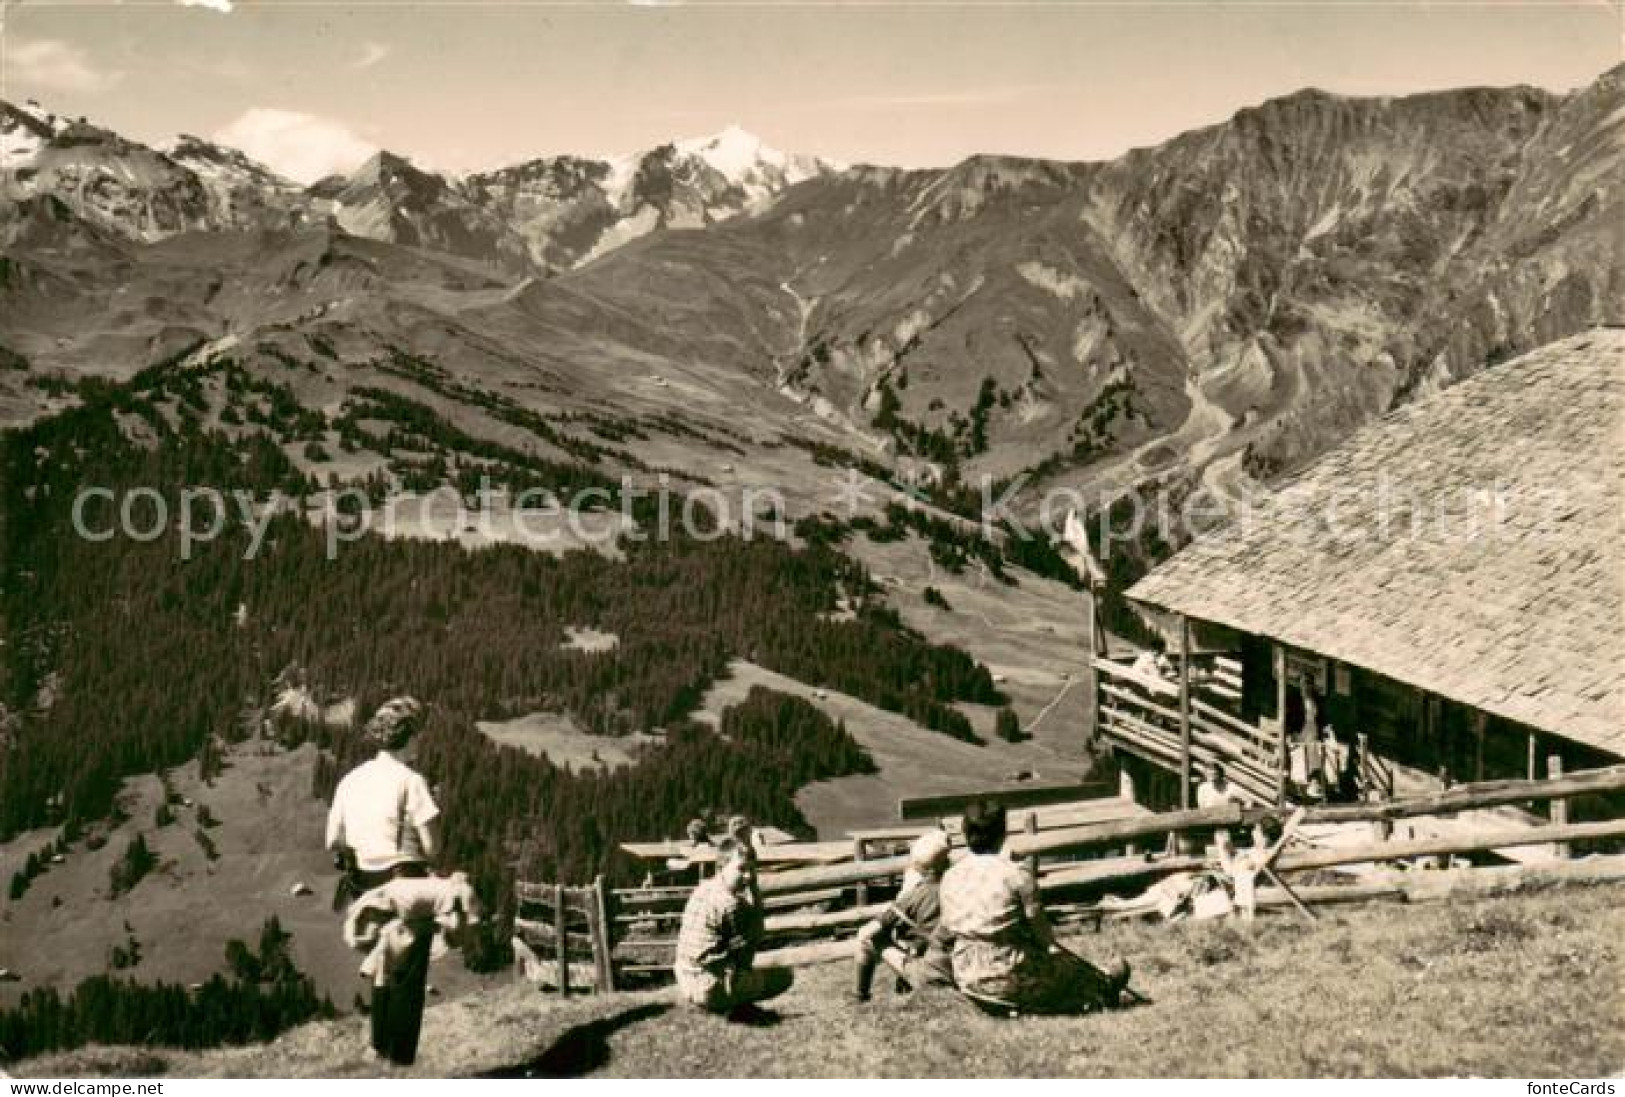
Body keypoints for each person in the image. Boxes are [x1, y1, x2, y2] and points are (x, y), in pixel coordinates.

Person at [325, 696, 445, 1065]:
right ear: (409, 736)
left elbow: (332, 840)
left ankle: (379, 1049)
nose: (422, 741)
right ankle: (401, 1061)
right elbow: (433, 846)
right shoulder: (411, 781)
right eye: (419, 734)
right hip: (404, 881)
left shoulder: (351, 780)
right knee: (407, 976)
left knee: (383, 966)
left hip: (365, 885)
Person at [939, 800, 1131, 1015]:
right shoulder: (1017, 875)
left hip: (965, 973)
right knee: (1078, 971)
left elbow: (947, 926)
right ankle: (1103, 985)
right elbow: (1044, 937)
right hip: (1009, 972)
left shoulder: (950, 876)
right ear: (1003, 833)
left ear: (965, 833)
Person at [673, 838, 793, 1015]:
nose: (748, 876)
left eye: (752, 870)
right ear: (722, 866)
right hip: (710, 987)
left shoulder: (703, 888)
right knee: (784, 976)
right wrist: (754, 891)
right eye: (742, 869)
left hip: (685, 977)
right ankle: (731, 1004)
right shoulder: (731, 904)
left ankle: (729, 1000)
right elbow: (751, 944)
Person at [851, 830, 955, 1002]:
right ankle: (904, 986)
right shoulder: (959, 885)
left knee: (869, 940)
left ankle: (859, 997)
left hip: (934, 974)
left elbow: (867, 932)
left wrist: (904, 894)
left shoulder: (915, 895)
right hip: (962, 968)